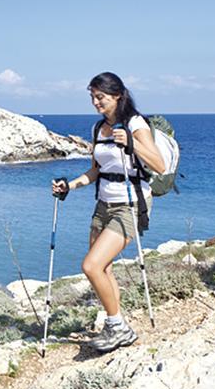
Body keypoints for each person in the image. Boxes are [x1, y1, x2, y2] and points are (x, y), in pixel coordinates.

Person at [52, 72, 165, 352]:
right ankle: (118, 325)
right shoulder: (97, 129)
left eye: (100, 96)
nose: (95, 102)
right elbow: (95, 169)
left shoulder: (136, 124)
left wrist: (131, 142)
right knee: (104, 268)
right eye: (92, 96)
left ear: (117, 95)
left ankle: (117, 327)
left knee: (90, 266)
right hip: (103, 204)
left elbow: (159, 165)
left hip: (130, 204)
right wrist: (71, 185)